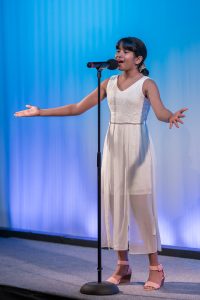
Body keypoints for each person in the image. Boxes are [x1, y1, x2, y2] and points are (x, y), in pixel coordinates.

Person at [14, 37, 188, 291]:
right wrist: (41, 112)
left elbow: (160, 111)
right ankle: (122, 265)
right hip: (114, 147)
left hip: (137, 148)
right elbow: (77, 107)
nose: (119, 55)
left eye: (126, 52)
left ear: (138, 59)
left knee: (141, 206)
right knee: (115, 204)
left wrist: (170, 116)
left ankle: (155, 268)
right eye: (118, 50)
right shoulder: (109, 82)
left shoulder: (147, 84)